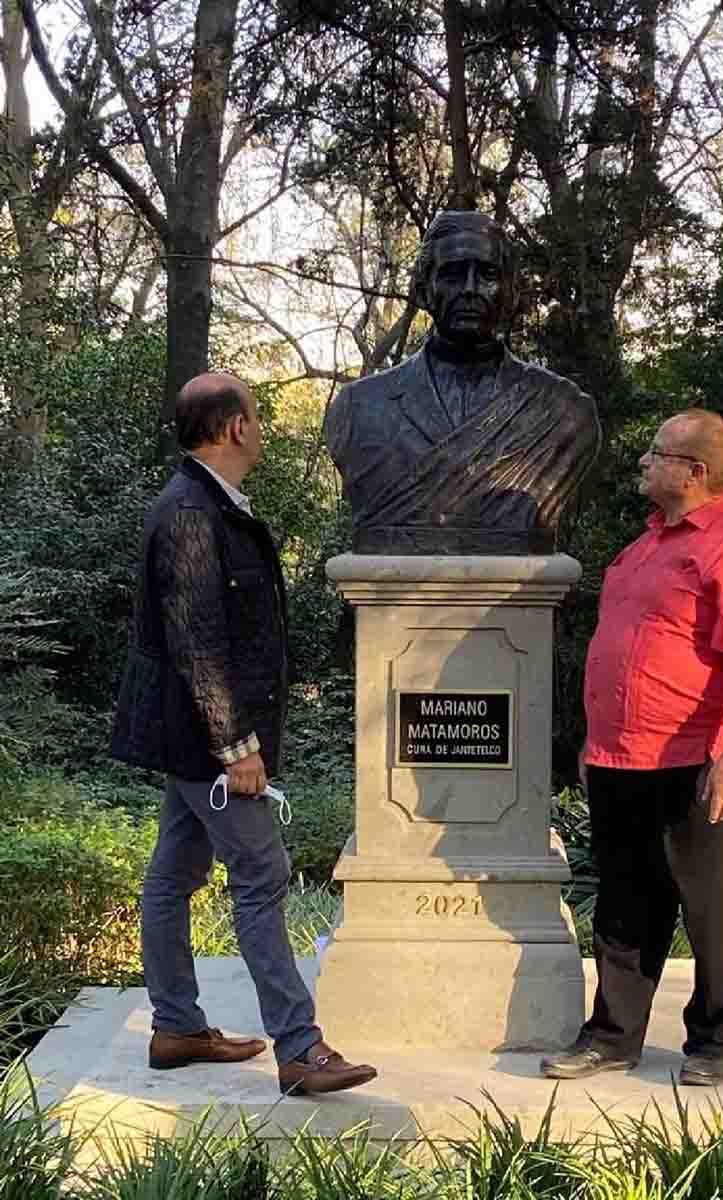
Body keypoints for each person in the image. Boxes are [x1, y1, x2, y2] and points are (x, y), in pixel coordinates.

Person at [112, 372, 377, 1096]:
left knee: (171, 877)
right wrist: (237, 747)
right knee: (261, 877)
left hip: (191, 734)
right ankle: (300, 1048)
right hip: (210, 743)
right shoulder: (192, 512)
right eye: (256, 417)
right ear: (235, 428)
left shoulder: (206, 505)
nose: (261, 427)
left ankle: (176, 1028)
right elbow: (199, 642)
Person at [541, 409, 723, 1087]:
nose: (644, 462)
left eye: (657, 453)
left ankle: (715, 1043)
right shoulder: (645, 545)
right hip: (622, 761)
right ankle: (613, 1038)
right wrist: (595, 745)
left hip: (694, 765)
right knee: (624, 905)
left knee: (712, 909)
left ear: (695, 472)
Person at [324, 209, 600, 555]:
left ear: (511, 292)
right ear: (424, 290)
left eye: (487, 274)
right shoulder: (359, 408)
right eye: (453, 275)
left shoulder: (566, 414)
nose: (470, 289)